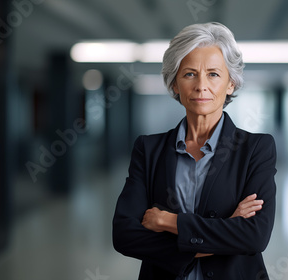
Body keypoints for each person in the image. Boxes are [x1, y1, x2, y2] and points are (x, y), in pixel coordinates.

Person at [113, 22, 277, 280]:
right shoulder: (149, 149)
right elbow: (125, 235)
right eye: (190, 74)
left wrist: (169, 222)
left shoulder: (256, 149)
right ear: (175, 84)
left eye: (213, 74)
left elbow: (254, 237)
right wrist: (225, 231)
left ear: (231, 83)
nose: (201, 86)